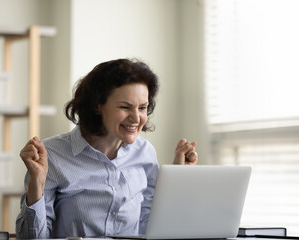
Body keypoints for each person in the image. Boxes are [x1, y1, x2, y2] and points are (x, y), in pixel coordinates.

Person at [16, 58, 198, 239]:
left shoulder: (145, 153)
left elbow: (151, 228)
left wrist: (178, 179)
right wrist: (37, 183)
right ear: (97, 105)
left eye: (142, 108)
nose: (136, 118)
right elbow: (32, 239)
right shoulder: (52, 155)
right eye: (125, 107)